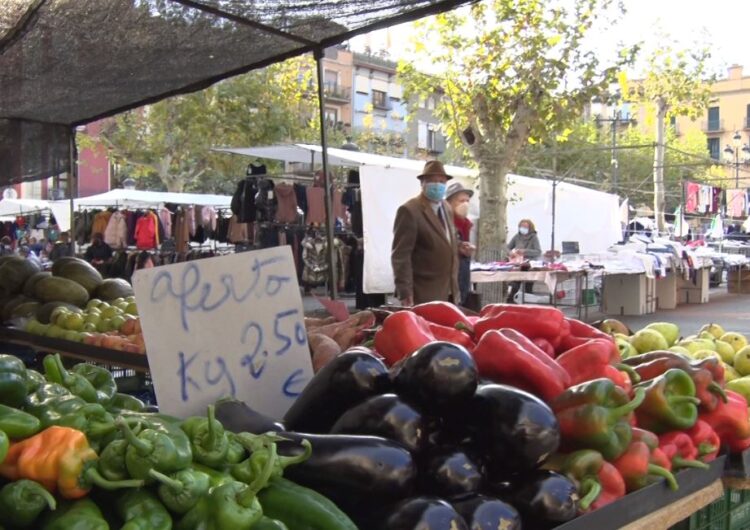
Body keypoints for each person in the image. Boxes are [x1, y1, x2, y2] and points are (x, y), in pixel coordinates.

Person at [391, 160, 459, 306]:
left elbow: (445, 239)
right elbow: (400, 255)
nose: (438, 185)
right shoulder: (409, 210)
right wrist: (405, 291)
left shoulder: (447, 208)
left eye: (441, 181)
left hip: (448, 289)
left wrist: (459, 247)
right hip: (423, 291)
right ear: (422, 183)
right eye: (432, 181)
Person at [445, 181, 475, 306]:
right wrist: (457, 248)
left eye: (467, 201)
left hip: (462, 277)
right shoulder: (444, 222)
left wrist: (468, 250)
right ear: (449, 203)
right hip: (447, 283)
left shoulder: (466, 224)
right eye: (461, 201)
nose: (465, 204)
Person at [506, 219, 542, 303]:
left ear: (530, 228)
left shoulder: (534, 237)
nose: (523, 228)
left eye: (525, 227)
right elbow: (507, 247)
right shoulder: (516, 236)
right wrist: (510, 253)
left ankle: (528, 302)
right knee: (515, 283)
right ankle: (511, 301)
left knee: (528, 285)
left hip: (530, 264)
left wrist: (524, 251)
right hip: (518, 264)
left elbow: (538, 251)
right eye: (521, 226)